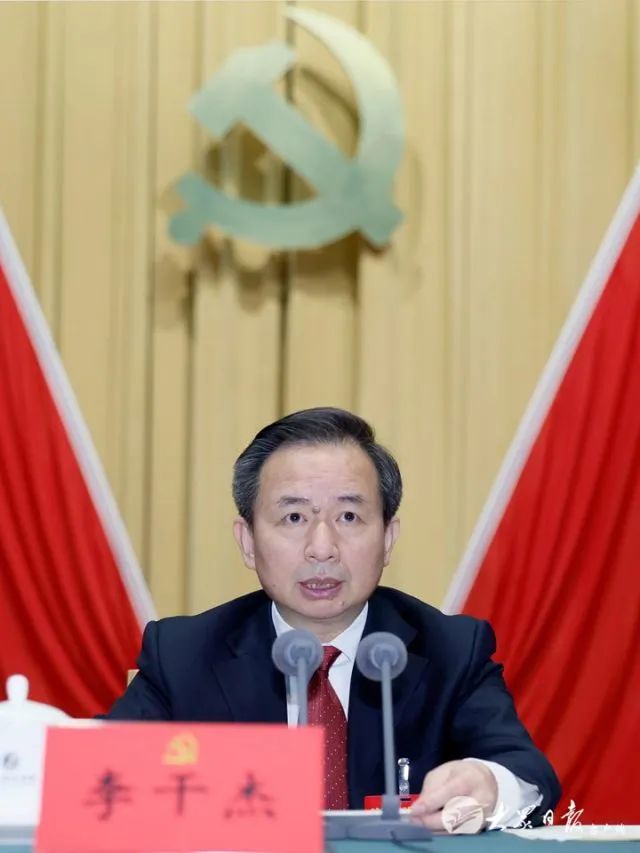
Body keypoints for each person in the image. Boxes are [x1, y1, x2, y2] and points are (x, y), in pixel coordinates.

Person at [103, 407, 560, 830]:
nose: (322, 548)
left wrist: (489, 785)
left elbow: (527, 776)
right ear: (248, 541)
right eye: (294, 517)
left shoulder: (451, 650)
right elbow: (102, 777)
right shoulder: (183, 654)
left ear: (388, 538)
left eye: (349, 516)